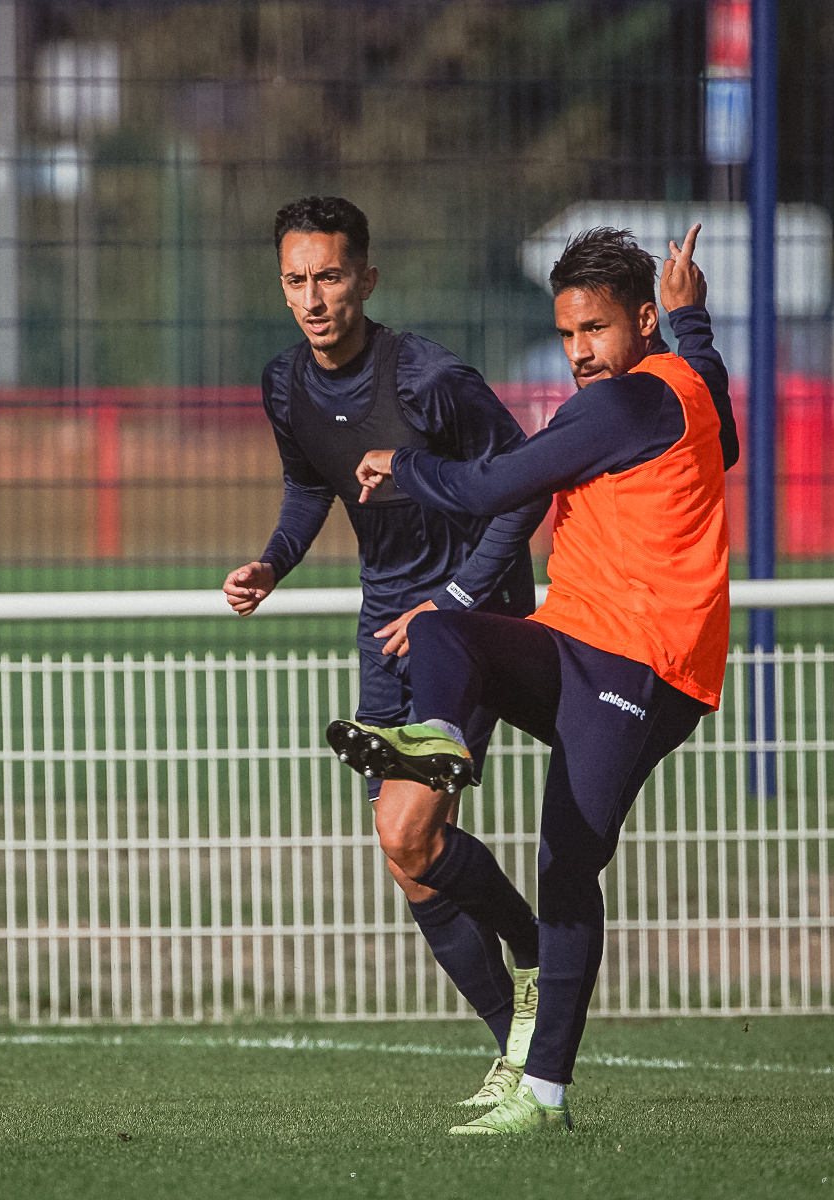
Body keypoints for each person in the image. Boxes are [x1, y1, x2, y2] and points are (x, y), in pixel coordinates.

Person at [330, 223, 738, 1134]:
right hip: (573, 641)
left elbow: (487, 487)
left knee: (567, 865)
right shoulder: (687, 384)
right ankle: (438, 741)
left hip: (644, 668)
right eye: (565, 335)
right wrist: (693, 318)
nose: (579, 352)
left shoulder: (627, 405)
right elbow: (720, 412)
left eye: (594, 330)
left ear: (640, 322)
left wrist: (404, 464)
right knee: (446, 633)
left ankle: (544, 1094)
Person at [224, 196, 545, 1106]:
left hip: (469, 617)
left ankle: (536, 955)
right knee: (405, 854)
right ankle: (519, 1053)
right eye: (296, 280)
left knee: (408, 830)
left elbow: (524, 489)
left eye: (330, 276)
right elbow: (304, 487)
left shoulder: (431, 381)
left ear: (366, 278)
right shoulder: (284, 382)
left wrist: (453, 599)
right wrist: (274, 562)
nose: (313, 298)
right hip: (384, 623)